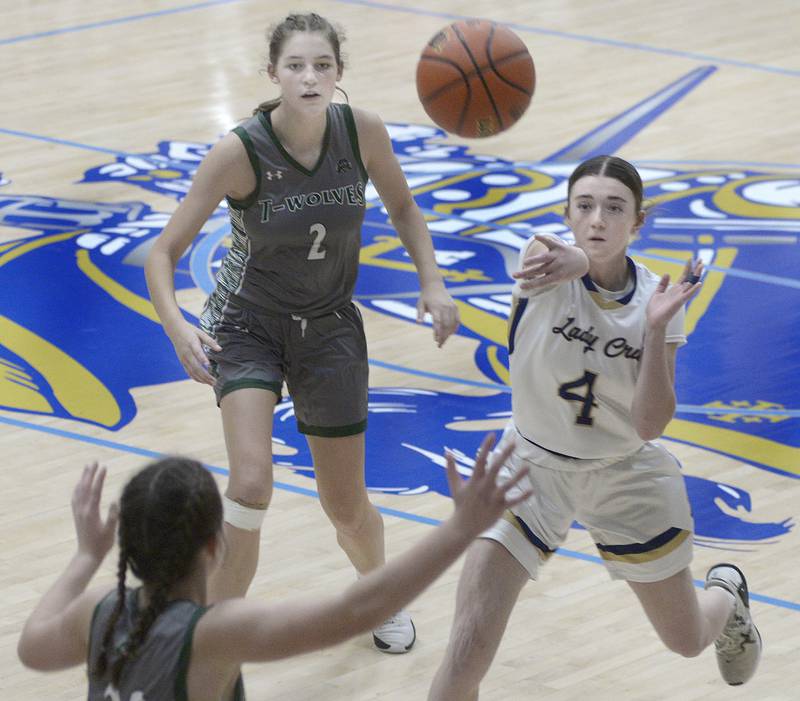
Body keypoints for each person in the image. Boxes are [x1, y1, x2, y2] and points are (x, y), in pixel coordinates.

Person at [144, 12, 459, 653]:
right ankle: (212, 637)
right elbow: (163, 252)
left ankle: (379, 596)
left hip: (331, 327)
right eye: (295, 66)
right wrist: (178, 326)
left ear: (339, 73)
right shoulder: (239, 151)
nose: (310, 77)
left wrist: (434, 282)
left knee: (346, 507)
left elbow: (402, 204)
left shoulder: (361, 131)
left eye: (322, 65)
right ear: (273, 75)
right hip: (247, 325)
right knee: (252, 482)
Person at [427, 155, 762, 700]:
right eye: (585, 206)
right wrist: (584, 259)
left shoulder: (659, 299)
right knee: (466, 650)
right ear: (567, 213)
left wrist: (654, 333)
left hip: (623, 472)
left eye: (614, 208)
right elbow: (566, 259)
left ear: (638, 222)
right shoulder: (541, 258)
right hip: (527, 470)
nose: (598, 219)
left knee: (685, 639)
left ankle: (728, 599)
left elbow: (651, 424)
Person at [17, 437, 530, 700]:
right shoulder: (212, 635)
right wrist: (459, 530)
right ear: (214, 546)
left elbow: (32, 647)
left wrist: (86, 556)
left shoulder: (97, 612)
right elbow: (358, 610)